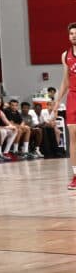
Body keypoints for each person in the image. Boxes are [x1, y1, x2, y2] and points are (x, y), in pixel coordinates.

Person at [49, 22, 76, 189]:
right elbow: (65, 81)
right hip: (73, 97)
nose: (73, 35)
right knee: (73, 137)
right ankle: (75, 175)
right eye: (71, 33)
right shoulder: (66, 55)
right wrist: (57, 102)